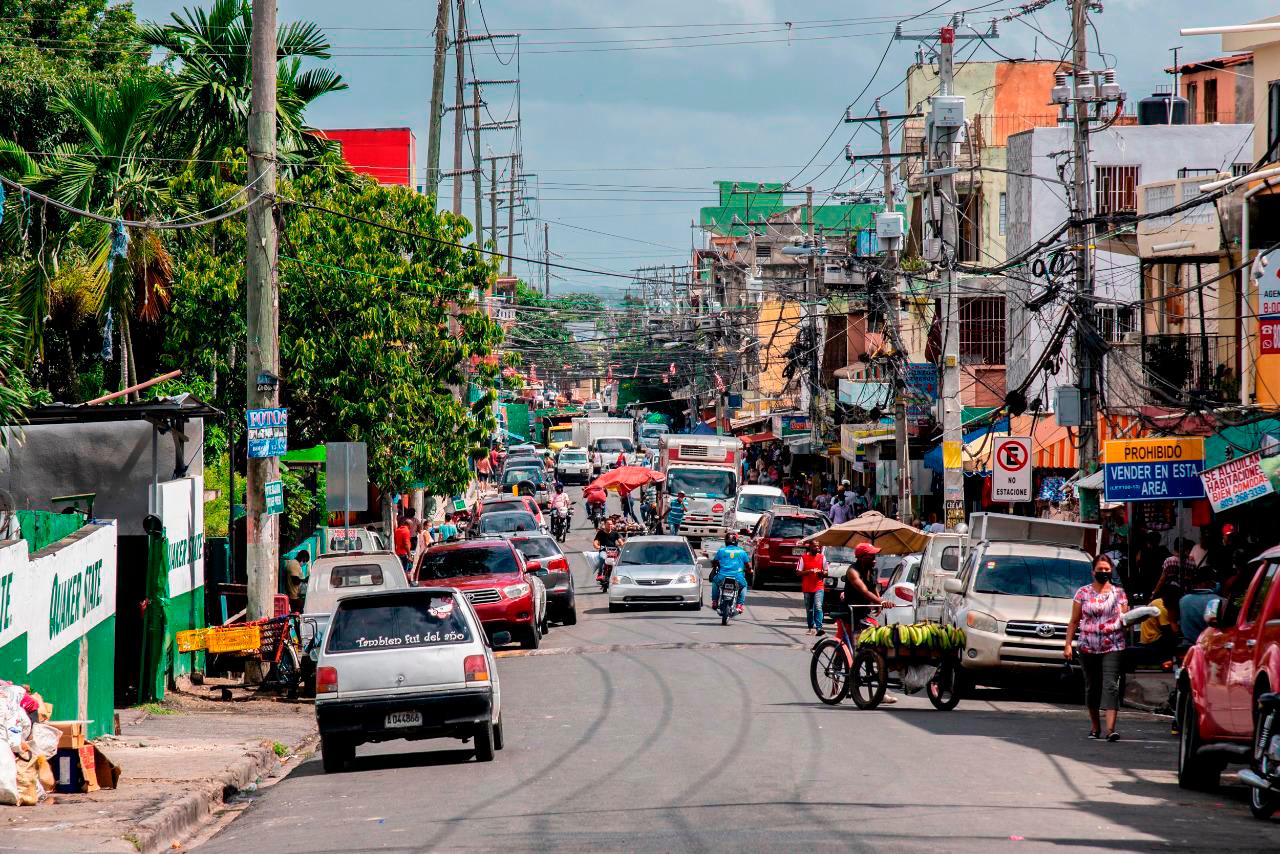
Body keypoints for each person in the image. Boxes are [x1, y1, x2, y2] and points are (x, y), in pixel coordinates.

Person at [1065, 553, 1129, 741]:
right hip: (1087, 646)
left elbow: (1125, 620)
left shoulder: (1119, 594)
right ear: (1093, 571)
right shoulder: (1082, 593)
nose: (1103, 573)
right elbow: (1074, 621)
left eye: (1107, 570)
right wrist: (1068, 644)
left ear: (1111, 572)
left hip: (1113, 645)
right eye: (1100, 570)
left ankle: (1111, 729)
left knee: (1111, 685)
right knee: (1092, 686)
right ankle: (1095, 727)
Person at [842, 542, 895, 703]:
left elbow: (873, 588)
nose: (874, 559)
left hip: (863, 614)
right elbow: (863, 591)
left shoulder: (870, 570)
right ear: (861, 557)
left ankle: (879, 690)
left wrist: (878, 601)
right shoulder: (853, 571)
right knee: (859, 649)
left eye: (875, 556)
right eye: (871, 556)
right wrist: (880, 602)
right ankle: (853, 684)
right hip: (849, 614)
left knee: (876, 647)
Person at [1178, 568, 1222, 644]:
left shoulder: (1183, 600)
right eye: (1213, 582)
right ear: (1206, 583)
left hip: (1188, 645)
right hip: (1209, 646)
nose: (1215, 585)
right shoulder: (1219, 600)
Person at [711, 532, 751, 614]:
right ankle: (739, 605)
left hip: (722, 577)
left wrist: (716, 567)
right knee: (744, 586)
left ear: (726, 541)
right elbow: (748, 565)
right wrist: (749, 570)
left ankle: (715, 601)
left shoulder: (721, 551)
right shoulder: (742, 552)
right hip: (738, 578)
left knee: (714, 582)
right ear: (736, 541)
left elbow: (714, 562)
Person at [796, 540, 827, 635]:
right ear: (810, 547)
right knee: (809, 609)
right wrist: (809, 571)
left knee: (818, 606)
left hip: (818, 586)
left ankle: (819, 628)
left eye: (818, 546)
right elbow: (798, 572)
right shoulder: (803, 558)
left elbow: (826, 571)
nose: (817, 548)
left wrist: (822, 573)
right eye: (815, 546)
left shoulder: (822, 557)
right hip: (807, 588)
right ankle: (810, 627)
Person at [593, 517, 625, 582]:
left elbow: (620, 542)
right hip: (604, 550)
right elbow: (595, 542)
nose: (610, 525)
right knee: (602, 558)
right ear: (604, 525)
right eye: (608, 524)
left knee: (619, 561)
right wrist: (597, 546)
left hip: (614, 551)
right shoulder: (600, 533)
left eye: (611, 524)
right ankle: (600, 574)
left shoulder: (615, 533)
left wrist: (622, 544)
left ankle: (618, 576)